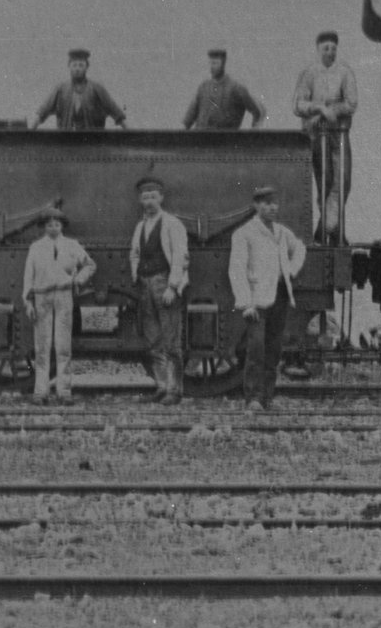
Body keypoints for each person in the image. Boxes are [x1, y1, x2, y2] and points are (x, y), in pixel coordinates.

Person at [228, 185, 307, 411]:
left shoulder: (282, 232)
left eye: (274, 203)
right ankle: (253, 398)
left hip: (280, 298)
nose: (272, 207)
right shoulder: (244, 233)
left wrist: (291, 270)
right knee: (256, 350)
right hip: (256, 301)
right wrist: (245, 303)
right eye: (266, 203)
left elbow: (300, 248)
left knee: (273, 351)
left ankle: (268, 397)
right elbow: (236, 270)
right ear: (256, 206)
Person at [22, 205, 95, 402]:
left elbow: (90, 264)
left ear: (62, 226)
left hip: (64, 295)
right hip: (41, 296)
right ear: (44, 227)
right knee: (41, 347)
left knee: (63, 346)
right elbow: (29, 276)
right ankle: (41, 391)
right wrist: (28, 302)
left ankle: (64, 391)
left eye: (57, 224)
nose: (53, 228)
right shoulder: (36, 247)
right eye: (49, 225)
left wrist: (78, 280)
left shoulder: (72, 245)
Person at [128, 176, 191, 405]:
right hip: (145, 284)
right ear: (140, 200)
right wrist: (136, 274)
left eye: (153, 197)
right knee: (153, 339)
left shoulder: (172, 224)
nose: (149, 201)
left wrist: (173, 287)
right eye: (145, 197)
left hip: (164, 282)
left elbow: (180, 257)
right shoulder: (140, 226)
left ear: (161, 198)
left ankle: (175, 390)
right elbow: (135, 253)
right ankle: (162, 386)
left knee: (171, 340)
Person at [293, 30, 359, 242]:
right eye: (325, 48)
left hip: (339, 134)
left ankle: (325, 228)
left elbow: (352, 103)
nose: (330, 52)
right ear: (318, 49)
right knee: (325, 183)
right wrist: (320, 108)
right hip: (317, 136)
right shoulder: (309, 73)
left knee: (343, 181)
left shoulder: (345, 72)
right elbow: (298, 105)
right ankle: (336, 233)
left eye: (333, 48)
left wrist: (335, 110)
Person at [31, 48, 128, 130]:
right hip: (65, 142)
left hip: (93, 143)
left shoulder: (97, 88)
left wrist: (129, 132)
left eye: (81, 65)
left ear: (86, 67)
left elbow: (116, 112)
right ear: (69, 67)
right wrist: (30, 130)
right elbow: (43, 112)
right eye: (74, 65)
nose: (77, 69)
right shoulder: (60, 89)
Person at [182, 49, 266, 131]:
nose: (211, 67)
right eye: (210, 63)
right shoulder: (203, 87)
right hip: (200, 139)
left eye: (215, 63)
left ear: (223, 64)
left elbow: (257, 112)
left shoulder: (236, 88)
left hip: (225, 140)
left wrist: (254, 132)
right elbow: (189, 117)